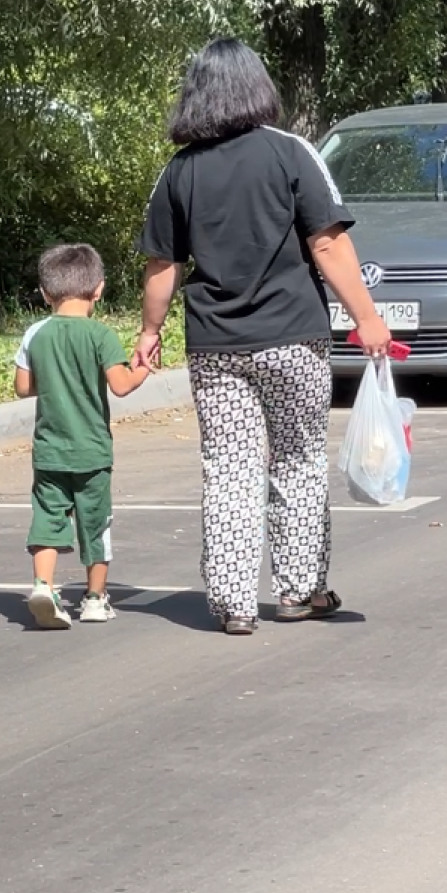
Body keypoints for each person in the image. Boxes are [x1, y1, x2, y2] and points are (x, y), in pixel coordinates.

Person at [133, 38, 391, 636]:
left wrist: (150, 332)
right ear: (257, 87)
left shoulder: (179, 171)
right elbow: (327, 242)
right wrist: (367, 318)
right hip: (295, 338)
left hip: (216, 346)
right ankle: (300, 592)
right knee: (298, 461)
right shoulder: (290, 153)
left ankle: (232, 602)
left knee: (229, 468)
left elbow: (162, 264)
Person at [14, 243, 154, 629]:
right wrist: (143, 367)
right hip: (92, 451)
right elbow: (122, 385)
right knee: (95, 523)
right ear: (99, 289)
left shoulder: (36, 334)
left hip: (49, 451)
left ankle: (44, 585)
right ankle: (94, 598)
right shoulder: (100, 335)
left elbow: (23, 387)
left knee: (47, 519)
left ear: (45, 293)